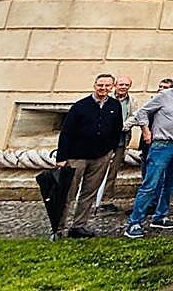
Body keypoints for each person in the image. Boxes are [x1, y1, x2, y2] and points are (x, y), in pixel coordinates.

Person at [124, 69, 173, 238]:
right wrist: (146, 131)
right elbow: (142, 112)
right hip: (162, 145)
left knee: (172, 184)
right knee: (150, 184)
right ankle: (135, 222)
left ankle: (160, 216)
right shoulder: (164, 96)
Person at [55, 73, 124, 238]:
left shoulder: (114, 105)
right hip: (77, 156)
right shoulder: (81, 106)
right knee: (68, 193)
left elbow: (117, 129)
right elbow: (66, 132)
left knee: (89, 192)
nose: (103, 89)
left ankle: (79, 225)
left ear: (112, 87)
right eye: (100, 85)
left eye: (107, 86)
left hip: (101, 156)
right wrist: (62, 158)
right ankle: (58, 227)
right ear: (95, 85)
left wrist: (111, 150)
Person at [97, 75, 134, 213]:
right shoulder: (107, 99)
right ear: (115, 85)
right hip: (103, 141)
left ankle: (107, 200)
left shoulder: (131, 101)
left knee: (112, 172)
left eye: (126, 85)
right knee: (97, 171)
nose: (123, 87)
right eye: (121, 84)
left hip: (120, 140)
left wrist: (123, 126)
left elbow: (134, 116)